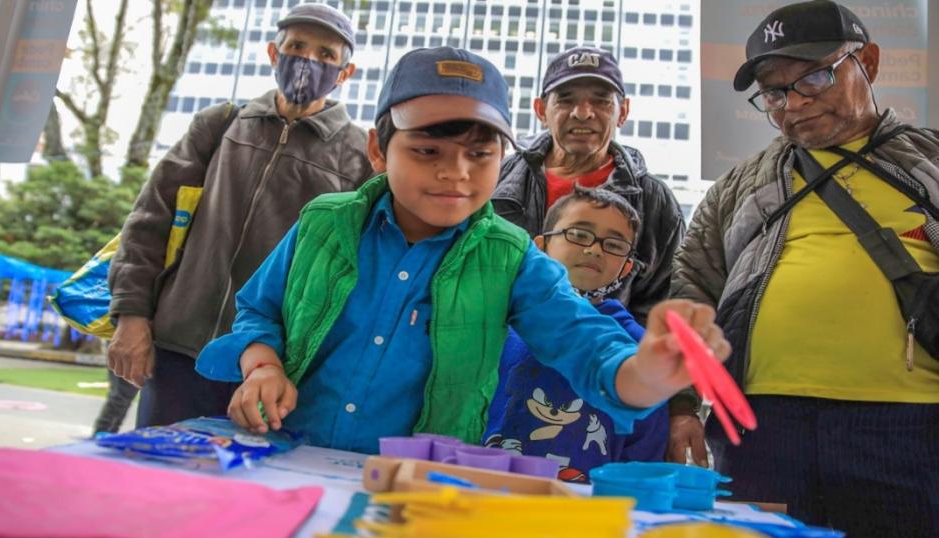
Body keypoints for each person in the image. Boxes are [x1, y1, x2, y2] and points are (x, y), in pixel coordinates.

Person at [194, 46, 729, 456]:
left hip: (413, 483)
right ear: (379, 149)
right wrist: (261, 364)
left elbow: (585, 344)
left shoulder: (513, 257)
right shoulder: (324, 223)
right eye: (427, 151)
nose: (457, 173)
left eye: (480, 153)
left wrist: (649, 373)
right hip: (281, 453)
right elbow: (259, 309)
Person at [670, 2, 939, 538]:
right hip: (760, 426)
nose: (795, 102)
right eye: (774, 92)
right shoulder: (738, 186)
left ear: (868, 61)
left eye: (815, 75)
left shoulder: (929, 163)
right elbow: (690, 293)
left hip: (910, 426)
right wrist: (679, 409)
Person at [107, 4, 375, 427]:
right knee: (156, 481)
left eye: (326, 55)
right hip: (179, 350)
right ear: (273, 53)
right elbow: (149, 224)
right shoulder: (219, 125)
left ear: (345, 72)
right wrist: (132, 315)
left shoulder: (361, 156)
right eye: (297, 46)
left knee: (245, 487)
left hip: (275, 366)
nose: (308, 60)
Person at [483, 187, 668, 482]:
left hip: (584, 510)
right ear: (540, 245)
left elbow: (644, 449)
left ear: (627, 267)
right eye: (579, 235)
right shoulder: (495, 322)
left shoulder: (639, 349)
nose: (595, 249)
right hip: (479, 490)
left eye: (614, 245)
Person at [492, 46, 684, 322]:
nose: (582, 113)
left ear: (623, 111)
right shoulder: (501, 177)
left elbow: (664, 303)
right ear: (541, 110)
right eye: (566, 100)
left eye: (601, 101)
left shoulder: (653, 201)